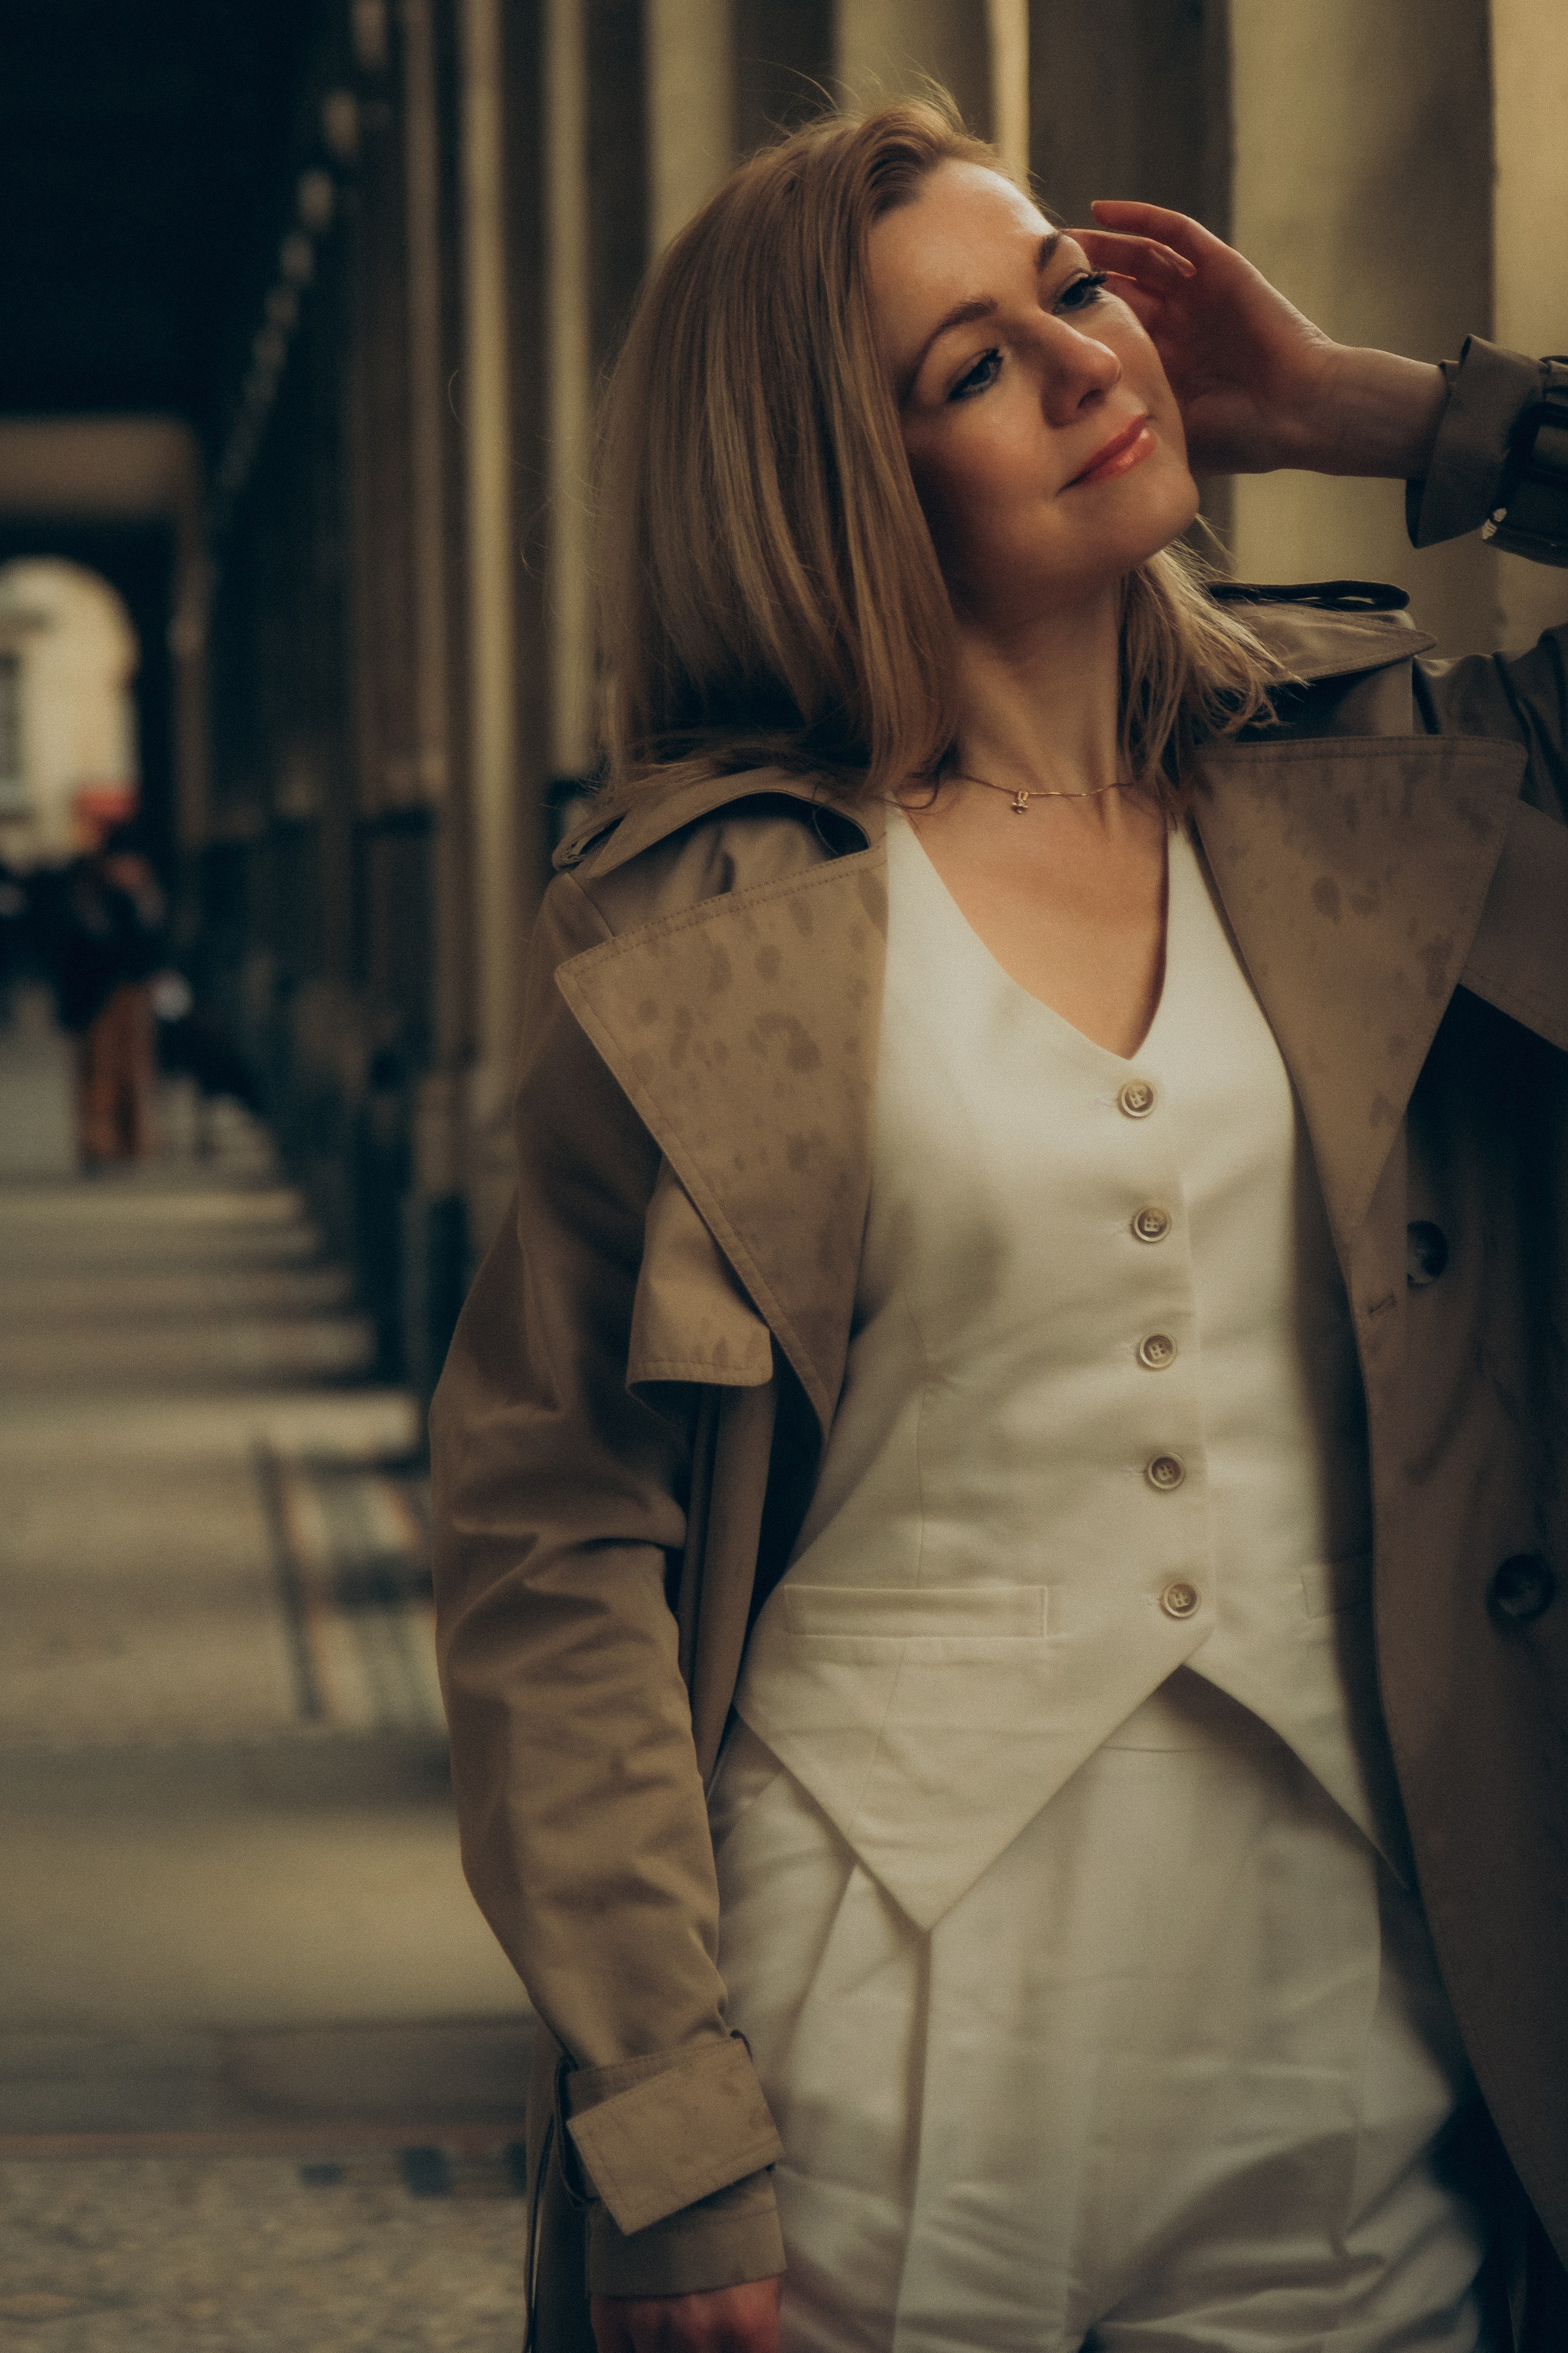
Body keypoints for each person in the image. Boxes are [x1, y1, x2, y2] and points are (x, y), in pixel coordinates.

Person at [430, 98, 1568, 2353]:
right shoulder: (703, 920)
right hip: (862, 2020)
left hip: (1352, 2014)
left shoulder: (1411, 785)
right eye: (964, 364)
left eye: (1071, 289)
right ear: (826, 480)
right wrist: (669, 2135)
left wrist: (1385, 412)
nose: (1079, 364)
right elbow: (550, 1540)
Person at [49, 823, 167, 1168]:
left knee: (135, 1071)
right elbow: (74, 950)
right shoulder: (88, 899)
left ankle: (131, 1142)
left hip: (134, 995)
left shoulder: (145, 899)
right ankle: (98, 1143)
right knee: (98, 1073)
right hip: (96, 997)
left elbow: (151, 947)